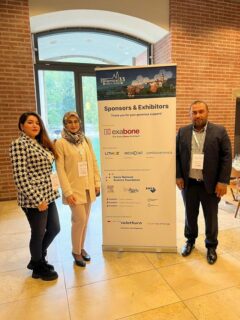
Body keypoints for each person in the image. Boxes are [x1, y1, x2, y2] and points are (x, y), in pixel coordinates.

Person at [176, 100, 232, 264]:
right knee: (190, 215)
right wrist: (178, 175)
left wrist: (223, 181)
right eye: (194, 112)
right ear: (190, 114)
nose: (197, 115)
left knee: (211, 217)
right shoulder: (183, 132)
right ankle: (190, 241)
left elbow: (226, 157)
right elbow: (177, 156)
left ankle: (211, 246)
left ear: (207, 112)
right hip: (189, 184)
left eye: (201, 111)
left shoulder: (219, 131)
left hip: (211, 185)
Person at [9, 112, 60, 280]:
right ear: (21, 125)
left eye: (37, 122)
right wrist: (38, 200)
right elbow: (20, 178)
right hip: (33, 199)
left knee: (54, 228)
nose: (35, 125)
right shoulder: (19, 144)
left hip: (48, 194)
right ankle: (38, 266)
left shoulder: (40, 143)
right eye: (30, 122)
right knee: (38, 233)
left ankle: (37, 258)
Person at [55, 111, 100, 267]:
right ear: (65, 124)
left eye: (76, 121)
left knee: (85, 220)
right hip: (73, 189)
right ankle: (75, 251)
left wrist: (97, 182)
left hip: (88, 187)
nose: (73, 125)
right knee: (78, 220)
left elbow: (93, 161)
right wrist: (67, 192)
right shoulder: (60, 143)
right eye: (69, 122)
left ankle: (81, 248)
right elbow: (60, 169)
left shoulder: (86, 140)